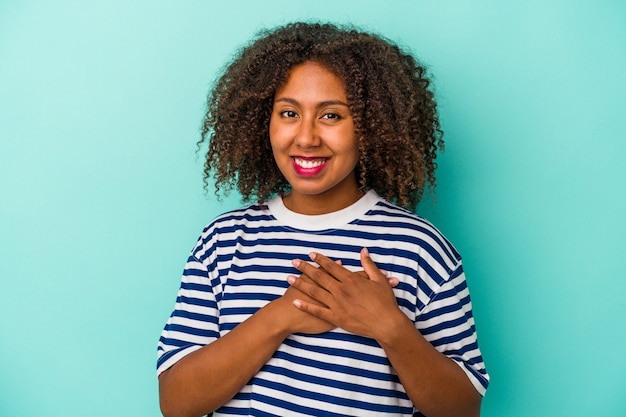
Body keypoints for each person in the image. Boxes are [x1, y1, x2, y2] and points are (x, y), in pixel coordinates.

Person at [157, 22, 489, 417]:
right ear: (265, 121)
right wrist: (281, 316)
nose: (307, 137)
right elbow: (176, 403)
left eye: (331, 115)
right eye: (289, 113)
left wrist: (389, 326)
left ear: (370, 128)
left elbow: (462, 410)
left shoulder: (419, 248)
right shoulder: (224, 242)